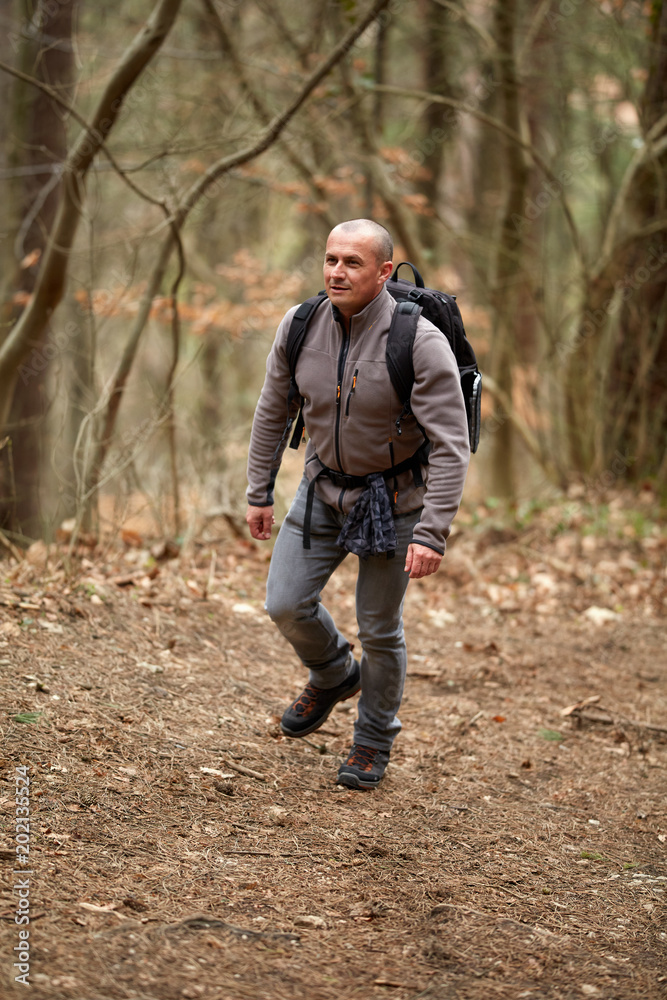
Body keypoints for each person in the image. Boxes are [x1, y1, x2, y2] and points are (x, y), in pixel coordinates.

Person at [245, 219, 470, 790]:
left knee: (379, 627)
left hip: (396, 501)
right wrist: (259, 490)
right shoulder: (299, 326)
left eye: (352, 262)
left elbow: (451, 444)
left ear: (383, 273)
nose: (336, 272)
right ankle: (333, 673)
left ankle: (372, 739)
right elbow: (272, 411)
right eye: (330, 259)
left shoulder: (417, 340)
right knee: (285, 603)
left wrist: (431, 531)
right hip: (322, 487)